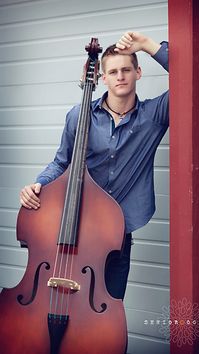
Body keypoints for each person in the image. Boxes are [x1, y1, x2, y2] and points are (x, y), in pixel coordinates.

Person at [19, 32, 169, 301]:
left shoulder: (154, 116)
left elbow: (191, 78)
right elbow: (61, 162)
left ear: (138, 72)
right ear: (102, 78)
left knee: (106, 312)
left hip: (115, 236)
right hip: (73, 227)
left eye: (126, 69)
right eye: (113, 71)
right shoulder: (80, 115)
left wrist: (147, 45)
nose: (120, 76)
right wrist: (39, 183)